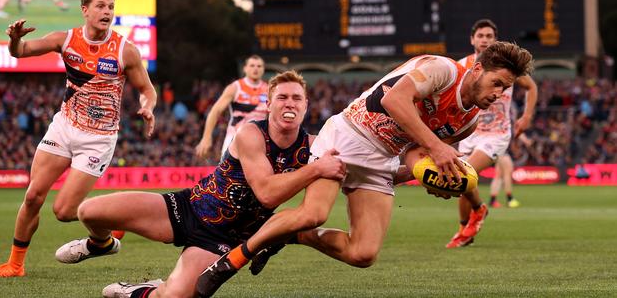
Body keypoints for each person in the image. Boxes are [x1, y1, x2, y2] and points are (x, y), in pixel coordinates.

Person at [196, 42, 534, 297]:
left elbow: (414, 153)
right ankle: (231, 260)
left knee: (363, 254)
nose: (501, 94)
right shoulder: (441, 69)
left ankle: (292, 235)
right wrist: (436, 148)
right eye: (498, 83)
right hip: (348, 135)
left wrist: (426, 176)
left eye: (506, 88)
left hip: (381, 161)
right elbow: (393, 100)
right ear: (477, 70)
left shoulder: (470, 122)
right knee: (313, 213)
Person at [54, 71, 346, 298]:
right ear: (268, 104)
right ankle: (101, 244)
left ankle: (135, 291)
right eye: (282, 97)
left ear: (307, 105)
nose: (290, 103)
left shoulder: (314, 147)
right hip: (188, 207)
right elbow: (267, 194)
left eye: (297, 98)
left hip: (222, 238)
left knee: (175, 296)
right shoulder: (250, 134)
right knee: (89, 211)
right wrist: (317, 168)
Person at [0, 0, 157, 279]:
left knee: (64, 212)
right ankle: (14, 265)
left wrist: (147, 107)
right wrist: (14, 40)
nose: (107, 12)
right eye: (101, 6)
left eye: (111, 7)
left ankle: (107, 231)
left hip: (98, 139)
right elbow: (21, 52)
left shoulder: (125, 50)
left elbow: (147, 90)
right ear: (85, 10)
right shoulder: (64, 40)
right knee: (33, 196)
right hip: (64, 127)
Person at [446, 19, 537, 248]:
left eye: (489, 36)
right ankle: (464, 231)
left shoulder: (507, 68)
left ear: (494, 40)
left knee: (464, 175)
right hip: (468, 132)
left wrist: (526, 117)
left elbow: (532, 87)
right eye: (480, 36)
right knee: (461, 184)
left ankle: (479, 209)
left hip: (496, 134)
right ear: (472, 40)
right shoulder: (462, 66)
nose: (484, 39)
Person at [195, 55, 268, 160]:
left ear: (263, 69)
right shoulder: (235, 87)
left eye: (259, 66)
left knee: (260, 175)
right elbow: (215, 111)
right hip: (235, 138)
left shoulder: (269, 90)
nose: (255, 68)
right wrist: (206, 137)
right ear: (245, 68)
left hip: (260, 140)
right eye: (252, 65)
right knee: (227, 175)